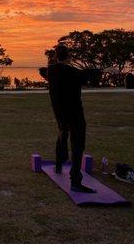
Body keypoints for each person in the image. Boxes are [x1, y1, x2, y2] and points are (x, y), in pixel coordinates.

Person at [39, 45, 100, 193]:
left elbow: (42, 71)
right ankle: (75, 181)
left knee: (62, 132)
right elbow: (88, 76)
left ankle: (59, 163)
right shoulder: (72, 72)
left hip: (59, 111)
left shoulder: (51, 71)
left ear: (55, 56)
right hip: (74, 111)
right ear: (69, 56)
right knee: (78, 143)